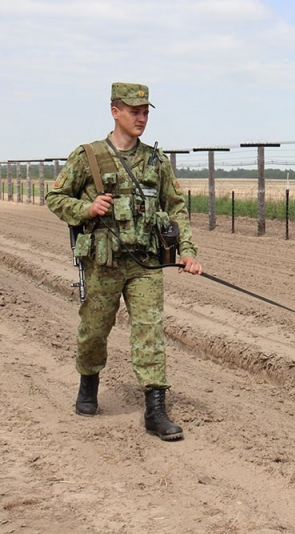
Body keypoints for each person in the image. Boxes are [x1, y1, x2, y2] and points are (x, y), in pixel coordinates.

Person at [46, 82, 202, 441]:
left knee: (150, 331)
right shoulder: (87, 156)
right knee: (94, 330)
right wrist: (85, 208)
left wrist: (188, 251)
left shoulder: (156, 161)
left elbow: (176, 207)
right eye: (134, 111)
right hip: (103, 263)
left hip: (145, 264)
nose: (141, 118)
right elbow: (55, 198)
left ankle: (155, 410)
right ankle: (88, 384)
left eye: (146, 111)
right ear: (115, 111)